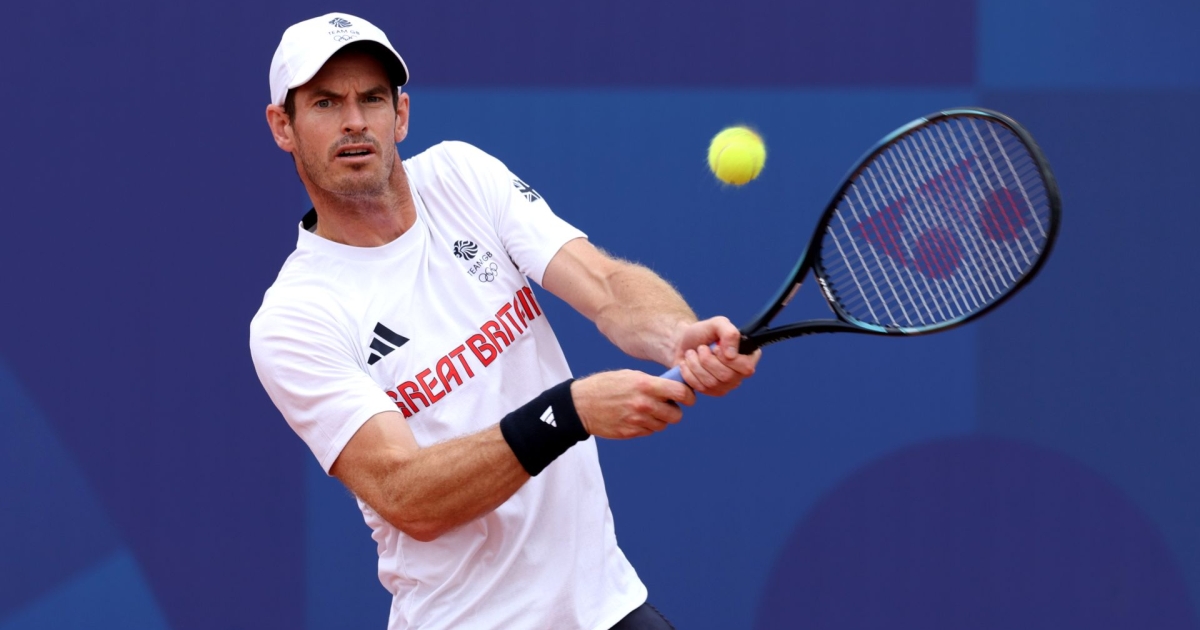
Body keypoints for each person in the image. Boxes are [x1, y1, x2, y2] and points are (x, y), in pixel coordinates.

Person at [249, 12, 760, 630]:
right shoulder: (295, 319)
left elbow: (604, 285)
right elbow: (408, 495)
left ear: (400, 114)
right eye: (326, 103)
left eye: (372, 99)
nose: (354, 121)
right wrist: (568, 412)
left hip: (609, 607)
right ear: (283, 126)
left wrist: (676, 334)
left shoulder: (462, 176)